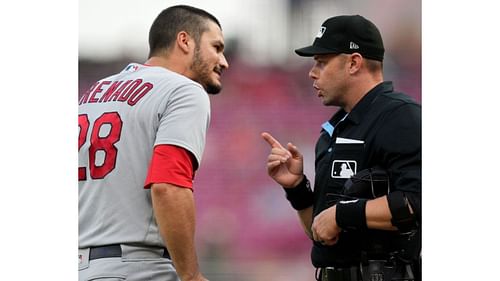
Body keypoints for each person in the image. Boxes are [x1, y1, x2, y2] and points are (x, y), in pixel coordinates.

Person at [262, 15, 421, 281]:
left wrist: (342, 213)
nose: (312, 72)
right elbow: (322, 232)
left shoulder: (400, 116)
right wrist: (297, 188)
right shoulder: (334, 130)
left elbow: (418, 202)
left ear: (354, 63)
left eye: (322, 62)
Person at [78, 5, 229, 281]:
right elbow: (168, 186)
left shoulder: (92, 93)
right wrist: (191, 275)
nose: (223, 61)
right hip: (137, 267)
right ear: (185, 41)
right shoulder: (184, 90)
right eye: (216, 47)